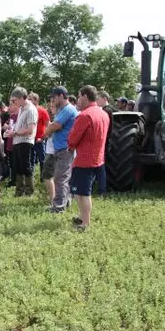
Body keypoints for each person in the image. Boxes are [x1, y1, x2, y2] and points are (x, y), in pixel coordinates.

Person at [68, 85, 110, 230]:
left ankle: (85, 223)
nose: (78, 100)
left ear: (85, 96)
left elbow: (73, 139)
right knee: (84, 191)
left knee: (82, 193)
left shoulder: (84, 115)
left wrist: (70, 144)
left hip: (84, 160)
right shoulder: (103, 113)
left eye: (79, 97)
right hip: (98, 158)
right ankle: (81, 217)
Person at [44, 86, 79, 213]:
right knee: (62, 177)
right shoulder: (63, 109)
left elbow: (55, 125)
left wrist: (47, 131)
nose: (52, 100)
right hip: (61, 148)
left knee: (60, 178)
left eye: (53, 97)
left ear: (60, 96)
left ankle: (59, 207)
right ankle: (65, 201)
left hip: (65, 149)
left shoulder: (68, 109)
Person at [7, 88, 37, 197]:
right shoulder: (21, 108)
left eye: (14, 100)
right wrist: (12, 130)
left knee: (25, 166)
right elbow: (19, 125)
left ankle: (29, 191)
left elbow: (30, 130)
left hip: (25, 141)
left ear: (21, 98)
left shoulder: (31, 109)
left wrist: (15, 132)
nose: (13, 103)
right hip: (17, 141)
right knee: (17, 166)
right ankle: (19, 190)